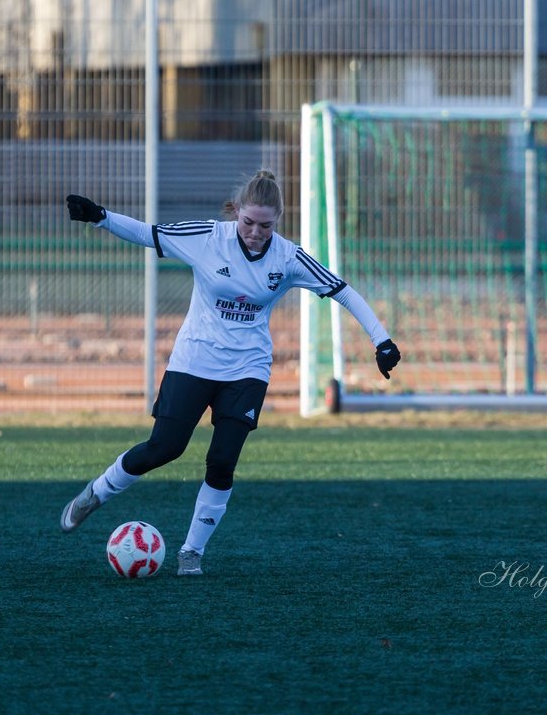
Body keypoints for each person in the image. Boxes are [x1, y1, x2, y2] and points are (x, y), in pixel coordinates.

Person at [59, 170, 400, 575]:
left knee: (222, 461)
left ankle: (192, 552)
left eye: (266, 225)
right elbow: (148, 234)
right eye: (248, 222)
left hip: (247, 369)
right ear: (236, 212)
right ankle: (94, 494)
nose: (255, 232)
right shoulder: (207, 237)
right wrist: (100, 216)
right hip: (194, 360)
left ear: (279, 220)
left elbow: (341, 289)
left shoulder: (288, 257)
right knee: (164, 447)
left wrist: (382, 340)